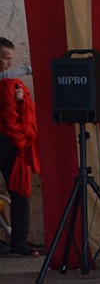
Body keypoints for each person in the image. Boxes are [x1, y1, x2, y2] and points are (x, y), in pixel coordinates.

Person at [0, 38, 40, 257]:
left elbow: (25, 115)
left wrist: (21, 99)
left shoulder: (14, 84)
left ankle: (19, 242)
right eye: (4, 58)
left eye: (9, 59)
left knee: (18, 191)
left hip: (9, 141)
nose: (7, 63)